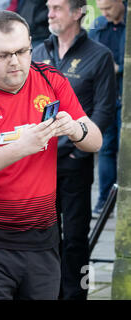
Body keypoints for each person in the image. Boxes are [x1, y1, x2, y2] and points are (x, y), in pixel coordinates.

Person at [0, 10, 103, 300]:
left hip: (41, 235)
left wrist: (76, 129)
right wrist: (22, 146)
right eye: (3, 55)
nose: (15, 62)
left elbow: (96, 141)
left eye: (22, 51)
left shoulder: (51, 80)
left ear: (31, 44)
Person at [32, 0, 116, 300]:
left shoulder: (100, 55)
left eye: (57, 8)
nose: (49, 13)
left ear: (79, 12)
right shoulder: (39, 53)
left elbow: (105, 111)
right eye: (49, 7)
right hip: (39, 164)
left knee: (76, 240)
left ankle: (76, 295)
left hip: (74, 163)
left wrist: (79, 150)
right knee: (44, 236)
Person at [88, 0, 126, 218]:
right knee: (106, 148)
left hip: (125, 96)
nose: (104, 13)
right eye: (101, 9)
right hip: (106, 99)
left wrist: (118, 67)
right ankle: (104, 202)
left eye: (108, 8)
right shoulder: (99, 24)